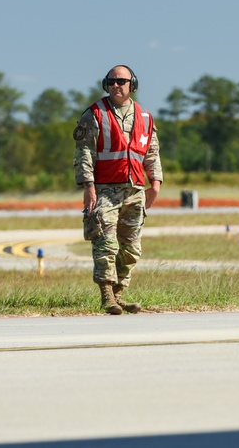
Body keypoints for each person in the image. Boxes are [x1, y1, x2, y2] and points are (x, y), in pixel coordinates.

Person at [73, 65, 162, 314]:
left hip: (135, 190)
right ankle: (107, 296)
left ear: (131, 84)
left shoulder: (144, 117)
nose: (116, 86)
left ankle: (120, 293)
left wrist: (155, 183)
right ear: (106, 84)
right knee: (106, 244)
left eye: (121, 81)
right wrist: (88, 186)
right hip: (105, 190)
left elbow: (151, 152)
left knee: (131, 248)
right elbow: (83, 153)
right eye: (111, 82)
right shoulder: (94, 114)